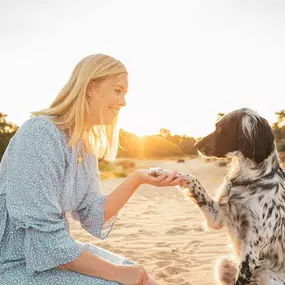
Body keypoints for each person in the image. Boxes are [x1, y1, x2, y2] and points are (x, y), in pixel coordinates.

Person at [0, 54, 186, 285]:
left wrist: (137, 179)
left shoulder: (82, 146)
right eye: (118, 91)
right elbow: (43, 237)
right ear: (90, 87)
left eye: (125, 94)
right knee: (124, 279)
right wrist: (118, 274)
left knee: (142, 277)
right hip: (14, 263)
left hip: (52, 255)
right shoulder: (40, 133)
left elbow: (93, 214)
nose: (123, 102)